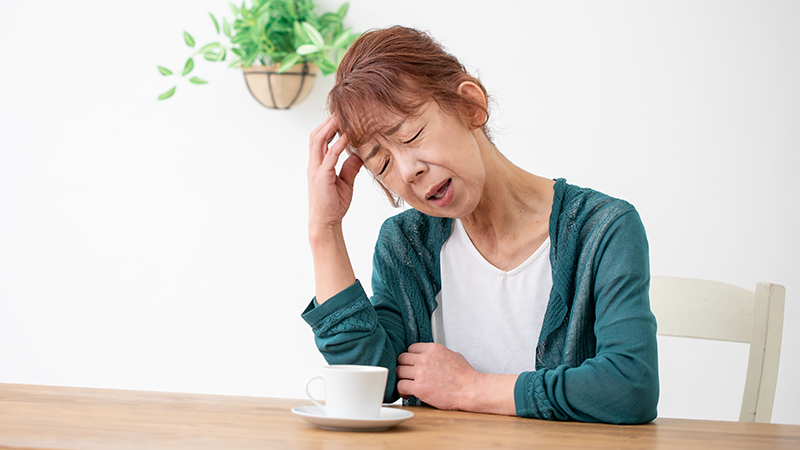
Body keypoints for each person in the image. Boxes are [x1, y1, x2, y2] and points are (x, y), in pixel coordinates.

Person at [302, 25, 658, 424]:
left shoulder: (602, 229)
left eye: (413, 134)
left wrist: (469, 388)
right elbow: (373, 382)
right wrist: (325, 230)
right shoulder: (405, 244)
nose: (408, 170)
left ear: (470, 105)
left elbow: (630, 389)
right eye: (381, 163)